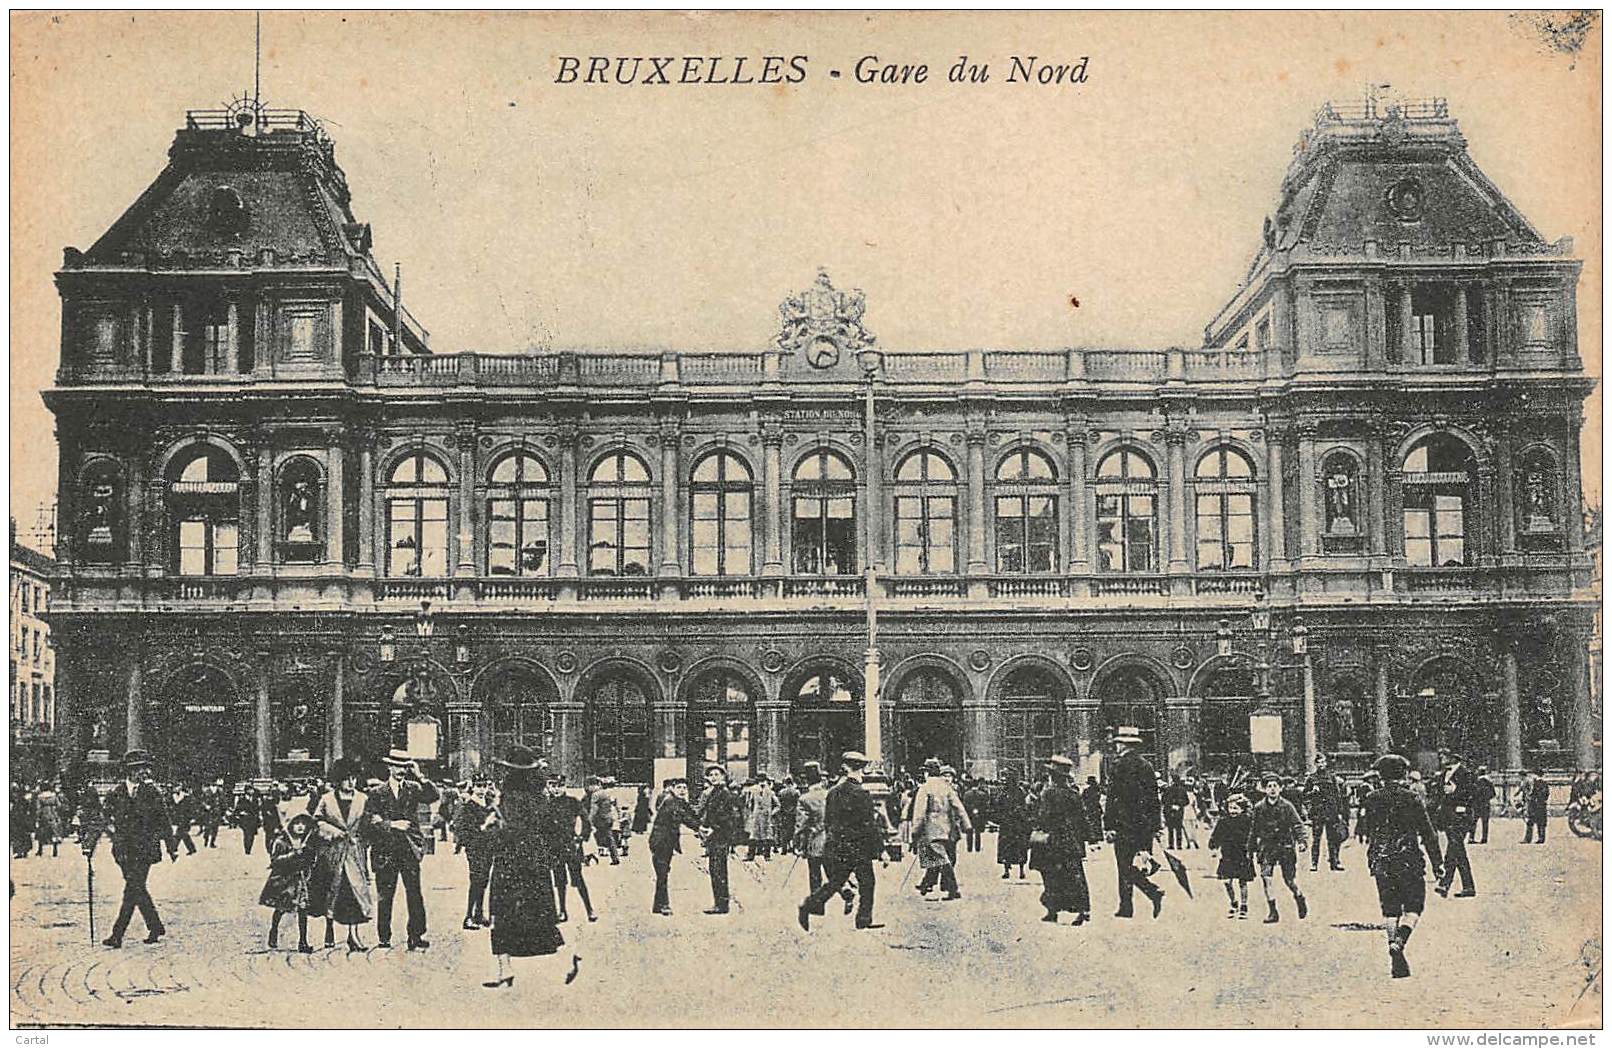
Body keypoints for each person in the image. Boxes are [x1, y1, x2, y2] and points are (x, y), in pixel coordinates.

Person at [483, 745, 569, 989]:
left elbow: (511, 832)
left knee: (502, 915)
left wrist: (491, 830)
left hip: (510, 864)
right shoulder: (540, 797)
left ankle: (505, 969)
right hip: (536, 865)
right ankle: (566, 959)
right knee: (541, 915)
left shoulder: (511, 798)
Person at [1361, 753, 1444, 978]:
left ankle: (1391, 943)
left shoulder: (1371, 798)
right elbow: (1428, 833)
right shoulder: (1412, 798)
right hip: (1408, 860)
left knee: (1389, 908)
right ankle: (1400, 942)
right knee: (1414, 907)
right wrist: (1438, 863)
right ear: (1404, 773)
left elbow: (1368, 830)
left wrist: (1372, 857)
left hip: (1382, 859)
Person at [99, 749, 179, 948]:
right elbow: (104, 818)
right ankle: (155, 925)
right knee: (137, 889)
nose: (143, 772)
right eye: (138, 769)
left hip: (145, 849)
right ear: (129, 771)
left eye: (145, 768)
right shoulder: (115, 793)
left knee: (133, 888)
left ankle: (117, 934)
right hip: (123, 850)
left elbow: (164, 820)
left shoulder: (152, 793)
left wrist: (171, 846)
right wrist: (92, 843)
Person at [798, 751, 883, 931]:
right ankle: (863, 919)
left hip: (839, 846)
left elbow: (829, 821)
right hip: (859, 846)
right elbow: (869, 825)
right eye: (861, 771)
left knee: (835, 882)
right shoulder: (862, 794)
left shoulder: (833, 792)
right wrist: (880, 850)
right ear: (857, 771)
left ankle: (808, 905)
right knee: (867, 882)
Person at [365, 750, 441, 950]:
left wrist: (420, 775)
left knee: (414, 893)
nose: (401, 770)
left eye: (405, 767)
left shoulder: (414, 788)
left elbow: (433, 796)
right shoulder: (376, 793)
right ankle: (384, 936)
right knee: (385, 894)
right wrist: (392, 825)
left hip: (409, 849)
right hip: (386, 850)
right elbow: (369, 822)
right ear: (389, 767)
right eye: (397, 766)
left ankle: (415, 935)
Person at [309, 757, 374, 952]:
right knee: (332, 891)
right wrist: (332, 832)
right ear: (339, 780)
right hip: (332, 853)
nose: (351, 782)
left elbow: (369, 823)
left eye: (354, 778)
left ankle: (353, 936)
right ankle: (329, 929)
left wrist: (363, 839)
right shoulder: (327, 799)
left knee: (354, 894)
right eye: (347, 779)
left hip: (354, 853)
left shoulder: (363, 799)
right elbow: (317, 821)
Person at [1104, 727, 1165, 919]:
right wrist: (1155, 827)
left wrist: (1109, 826)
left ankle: (1131, 904)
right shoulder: (1146, 766)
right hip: (1143, 826)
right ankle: (1144, 896)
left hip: (1123, 825)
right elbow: (1154, 799)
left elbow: (1112, 799)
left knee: (1124, 866)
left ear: (1123, 745)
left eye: (1117, 743)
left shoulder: (1117, 765)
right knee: (1137, 864)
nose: (1116, 746)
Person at [1031, 755, 1091, 925]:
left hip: (1053, 841)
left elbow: (1043, 817)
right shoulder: (1073, 794)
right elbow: (1082, 818)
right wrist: (1087, 839)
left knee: (1051, 875)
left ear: (1052, 776)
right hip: (1071, 841)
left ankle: (1052, 910)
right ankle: (1082, 910)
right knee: (1075, 875)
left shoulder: (1048, 793)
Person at [793, 762, 853, 914]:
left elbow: (801, 825)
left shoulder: (805, 799)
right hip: (832, 840)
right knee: (833, 872)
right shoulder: (831, 794)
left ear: (806, 781)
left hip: (815, 841)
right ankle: (845, 890)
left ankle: (817, 907)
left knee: (815, 875)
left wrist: (797, 844)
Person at [910, 757, 971, 899]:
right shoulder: (946, 787)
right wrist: (967, 825)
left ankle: (952, 889)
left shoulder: (925, 788)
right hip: (948, 828)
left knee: (941, 859)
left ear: (927, 772)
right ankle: (928, 883)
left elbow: (920, 813)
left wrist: (914, 832)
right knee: (939, 857)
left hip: (932, 828)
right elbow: (959, 807)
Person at [1250, 772, 1308, 923]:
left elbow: (1297, 825)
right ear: (1264, 789)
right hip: (1267, 847)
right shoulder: (1259, 808)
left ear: (1281, 788)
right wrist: (1250, 849)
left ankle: (1299, 896)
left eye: (1275, 786)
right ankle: (1273, 911)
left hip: (1285, 846)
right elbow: (1253, 829)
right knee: (1266, 878)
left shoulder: (1287, 807)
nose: (1272, 789)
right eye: (1269, 786)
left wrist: (1302, 841)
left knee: (1289, 880)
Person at [260, 812, 318, 953]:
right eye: (297, 823)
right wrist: (293, 855)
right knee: (281, 908)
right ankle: (274, 931)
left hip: (301, 880)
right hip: (285, 881)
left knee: (303, 910)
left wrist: (309, 859)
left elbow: (312, 859)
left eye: (303, 824)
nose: (300, 827)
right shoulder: (281, 841)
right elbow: (275, 861)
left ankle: (303, 942)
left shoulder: (307, 842)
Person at [648, 778, 701, 915]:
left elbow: (692, 814)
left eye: (685, 788)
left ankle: (658, 905)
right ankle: (664, 905)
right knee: (662, 873)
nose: (683, 790)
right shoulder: (670, 802)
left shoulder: (680, 801)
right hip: (661, 842)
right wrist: (699, 828)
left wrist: (702, 824)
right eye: (679, 787)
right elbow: (684, 817)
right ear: (672, 789)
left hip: (667, 842)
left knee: (663, 872)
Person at [696, 764, 744, 914]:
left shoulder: (724, 794)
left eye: (717, 774)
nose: (714, 777)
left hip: (720, 837)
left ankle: (721, 904)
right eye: (711, 775)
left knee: (718, 870)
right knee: (716, 870)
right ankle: (720, 902)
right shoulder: (714, 792)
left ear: (723, 776)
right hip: (715, 837)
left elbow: (728, 817)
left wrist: (713, 829)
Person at [548, 780, 598, 923]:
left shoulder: (572, 802)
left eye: (559, 786)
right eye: (553, 786)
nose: (556, 789)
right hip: (554, 848)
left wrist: (581, 838)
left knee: (578, 878)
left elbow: (586, 820)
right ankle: (562, 911)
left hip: (571, 846)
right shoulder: (547, 804)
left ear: (564, 787)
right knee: (559, 880)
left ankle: (589, 909)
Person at [1432, 751, 1477, 898]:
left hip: (1461, 816)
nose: (1441, 759)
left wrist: (1455, 791)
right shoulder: (1443, 774)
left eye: (1444, 756)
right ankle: (1466, 886)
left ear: (1453, 758)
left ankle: (1445, 883)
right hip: (1448, 817)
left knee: (1455, 847)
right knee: (1456, 849)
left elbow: (1473, 793)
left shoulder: (1466, 773)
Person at [454, 779, 496, 929]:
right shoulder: (468, 806)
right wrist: (485, 826)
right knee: (476, 879)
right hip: (475, 848)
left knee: (484, 879)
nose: (481, 790)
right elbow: (464, 829)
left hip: (489, 847)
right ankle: (468, 916)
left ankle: (479, 913)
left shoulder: (490, 803)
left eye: (484, 786)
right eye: (479, 786)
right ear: (473, 787)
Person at [1209, 792, 1255, 919]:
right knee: (1226, 882)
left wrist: (1252, 849)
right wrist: (1213, 847)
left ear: (1242, 809)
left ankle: (1244, 906)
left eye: (1236, 808)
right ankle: (1234, 902)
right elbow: (1216, 835)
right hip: (1227, 854)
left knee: (1242, 882)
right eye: (1230, 808)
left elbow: (1253, 837)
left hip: (1242, 854)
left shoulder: (1247, 821)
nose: (1233, 811)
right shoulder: (1223, 822)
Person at [1303, 756, 1348, 872]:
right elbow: (1304, 796)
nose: (1321, 764)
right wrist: (1312, 792)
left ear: (1326, 763)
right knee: (1316, 839)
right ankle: (1314, 863)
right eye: (1319, 762)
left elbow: (1337, 795)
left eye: (1323, 762)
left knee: (1333, 839)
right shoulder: (1311, 778)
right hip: (1318, 812)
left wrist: (1340, 812)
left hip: (1331, 811)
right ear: (1315, 764)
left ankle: (1335, 862)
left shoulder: (1331, 777)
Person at [995, 769, 1031, 880]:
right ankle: (1008, 870)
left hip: (1015, 824)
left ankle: (1020, 870)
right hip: (1009, 824)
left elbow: (1023, 807)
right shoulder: (1005, 792)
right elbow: (998, 806)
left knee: (1017, 847)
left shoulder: (1018, 792)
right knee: (1008, 847)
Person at [742, 775, 779, 860]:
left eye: (763, 781)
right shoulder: (753, 790)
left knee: (767, 835)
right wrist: (751, 813)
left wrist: (771, 813)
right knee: (754, 835)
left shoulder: (770, 792)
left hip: (766, 817)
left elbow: (778, 805)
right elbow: (749, 803)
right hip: (756, 816)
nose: (762, 783)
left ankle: (767, 855)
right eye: (760, 781)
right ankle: (751, 855)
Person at [585, 777, 620, 864]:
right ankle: (615, 857)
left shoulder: (595, 795)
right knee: (609, 838)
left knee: (592, 837)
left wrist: (589, 820)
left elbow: (594, 809)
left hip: (600, 820)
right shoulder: (605, 793)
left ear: (593, 785)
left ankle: (589, 856)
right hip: (608, 818)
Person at [33, 781, 65, 858]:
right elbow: (59, 805)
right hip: (53, 814)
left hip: (44, 815)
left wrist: (37, 817)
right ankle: (55, 849)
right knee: (54, 832)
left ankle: (40, 850)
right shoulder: (54, 796)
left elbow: (38, 808)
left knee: (42, 832)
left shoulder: (40, 797)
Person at [962, 776, 990, 854]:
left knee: (969, 831)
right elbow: (985, 806)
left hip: (970, 814)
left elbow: (964, 805)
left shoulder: (966, 794)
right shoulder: (982, 794)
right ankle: (977, 847)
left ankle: (969, 848)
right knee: (978, 832)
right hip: (979, 815)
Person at [169, 783, 199, 856]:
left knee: (181, 833)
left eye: (177, 786)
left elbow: (191, 808)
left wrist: (192, 817)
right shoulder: (172, 796)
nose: (176, 788)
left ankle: (174, 848)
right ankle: (191, 849)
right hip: (177, 817)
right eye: (175, 787)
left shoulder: (186, 796)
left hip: (185, 817)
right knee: (182, 833)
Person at [1161, 774, 1190, 850]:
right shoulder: (1183, 790)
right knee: (1178, 828)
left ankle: (1171, 845)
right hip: (1179, 811)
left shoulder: (1168, 789)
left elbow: (1163, 800)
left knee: (1170, 829)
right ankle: (1179, 845)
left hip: (1170, 811)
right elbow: (1187, 801)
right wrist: (1180, 805)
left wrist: (1170, 806)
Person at [1523, 768, 1550, 844]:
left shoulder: (1536, 783)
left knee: (1531, 821)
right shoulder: (1544, 783)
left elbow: (1533, 794)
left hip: (1535, 805)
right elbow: (1547, 794)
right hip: (1542, 804)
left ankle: (1529, 838)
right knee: (1541, 822)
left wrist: (1530, 797)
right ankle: (1541, 838)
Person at [234, 786, 263, 855]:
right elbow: (237, 809)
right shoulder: (242, 799)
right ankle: (247, 849)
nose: (252, 791)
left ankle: (249, 847)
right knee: (247, 834)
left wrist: (259, 816)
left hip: (253, 819)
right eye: (250, 790)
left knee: (252, 835)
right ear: (247, 791)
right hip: (245, 819)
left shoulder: (255, 799)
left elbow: (258, 809)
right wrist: (241, 813)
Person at [1470, 766, 1496, 844]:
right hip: (1485, 804)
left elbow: (1473, 792)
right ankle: (1484, 838)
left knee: (1473, 821)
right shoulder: (1489, 782)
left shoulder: (1476, 782)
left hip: (1477, 804)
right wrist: (1486, 798)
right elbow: (1493, 794)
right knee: (1485, 823)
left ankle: (1471, 838)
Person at [775, 777, 800, 854]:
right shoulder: (796, 792)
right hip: (793, 813)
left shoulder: (781, 792)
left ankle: (784, 849)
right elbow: (798, 803)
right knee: (793, 831)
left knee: (784, 831)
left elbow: (779, 804)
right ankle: (793, 848)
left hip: (784, 814)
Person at [199, 779, 225, 848]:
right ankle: (206, 840)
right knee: (207, 827)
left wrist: (223, 811)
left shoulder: (220, 791)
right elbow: (202, 801)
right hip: (208, 812)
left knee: (215, 828)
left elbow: (222, 801)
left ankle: (212, 842)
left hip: (216, 811)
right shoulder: (206, 791)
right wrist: (205, 806)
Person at [1081, 776, 1105, 845]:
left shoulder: (1086, 791)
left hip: (1090, 808)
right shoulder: (1098, 790)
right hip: (1096, 808)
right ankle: (1097, 837)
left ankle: (1092, 838)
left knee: (1091, 823)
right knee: (1097, 822)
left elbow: (1082, 799)